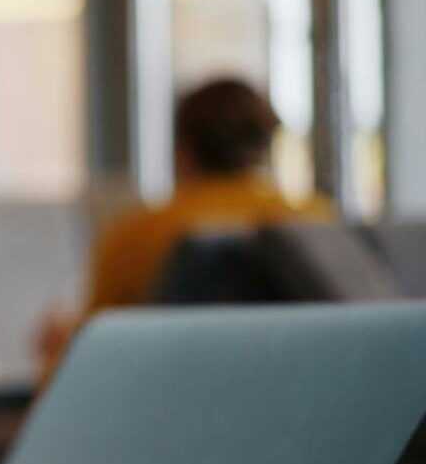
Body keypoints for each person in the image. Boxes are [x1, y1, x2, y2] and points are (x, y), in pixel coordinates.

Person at [35, 78, 334, 376]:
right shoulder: (318, 223)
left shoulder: (139, 231)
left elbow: (93, 349)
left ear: (183, 150)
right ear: (266, 146)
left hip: (170, 401)